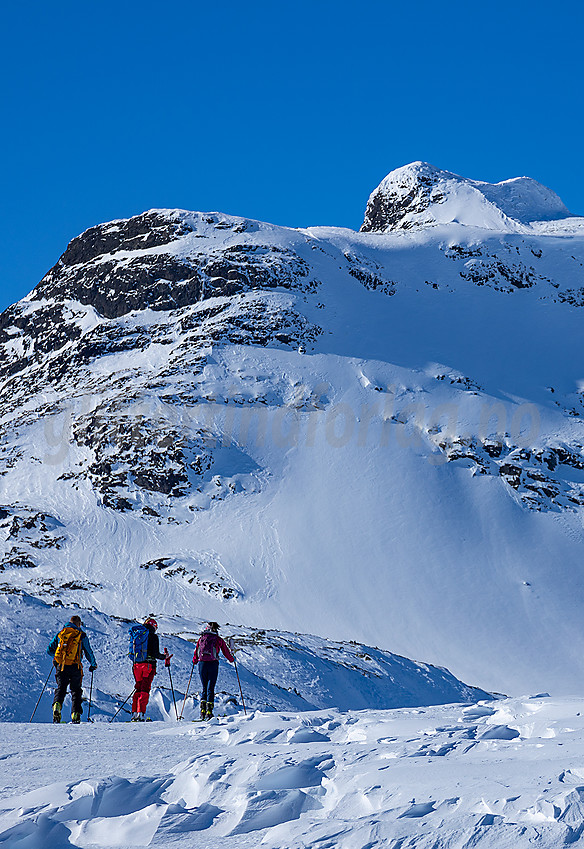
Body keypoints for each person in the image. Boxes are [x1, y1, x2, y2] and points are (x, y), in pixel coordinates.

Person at [47, 614, 97, 724]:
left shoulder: (61, 633)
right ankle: (75, 714)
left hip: (61, 666)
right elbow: (88, 651)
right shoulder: (81, 635)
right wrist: (93, 664)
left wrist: (56, 659)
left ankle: (57, 706)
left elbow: (49, 649)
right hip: (75, 667)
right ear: (78, 624)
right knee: (76, 691)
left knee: (61, 688)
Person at [128, 617, 171, 721]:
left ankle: (134, 714)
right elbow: (155, 654)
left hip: (136, 665)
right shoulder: (153, 636)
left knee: (138, 688)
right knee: (145, 689)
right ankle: (141, 713)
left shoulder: (138, 634)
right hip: (148, 666)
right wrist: (164, 657)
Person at [193, 621, 234, 719]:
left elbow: (196, 651)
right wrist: (232, 659)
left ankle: (202, 712)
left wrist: (195, 661)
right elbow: (226, 652)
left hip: (202, 664)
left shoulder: (201, 638)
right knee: (210, 688)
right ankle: (209, 712)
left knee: (204, 687)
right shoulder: (218, 639)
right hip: (213, 664)